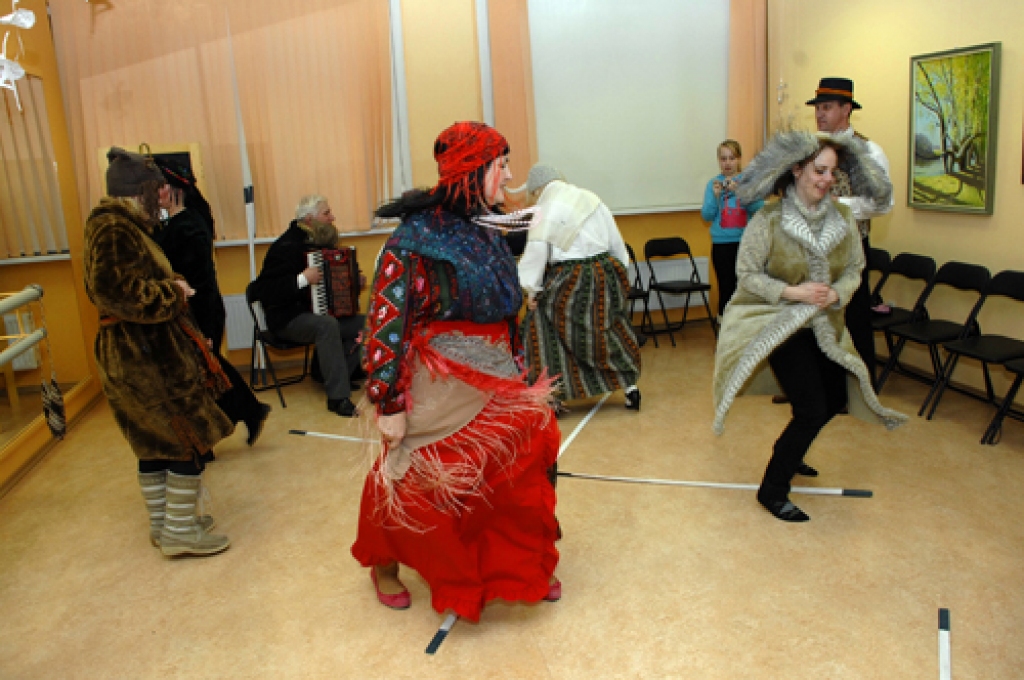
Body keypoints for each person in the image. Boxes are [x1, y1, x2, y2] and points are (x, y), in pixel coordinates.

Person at [350, 121, 562, 623]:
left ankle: (515, 566)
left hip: (494, 375)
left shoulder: (488, 225)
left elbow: (505, 308)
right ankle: (383, 563)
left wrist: (516, 367)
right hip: (438, 383)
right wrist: (389, 402)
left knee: (517, 462)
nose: (510, 176)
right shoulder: (414, 239)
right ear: (473, 170)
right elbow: (387, 320)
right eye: (501, 165)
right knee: (415, 479)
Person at [712, 131, 906, 522]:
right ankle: (772, 489)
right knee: (812, 408)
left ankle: (793, 449)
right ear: (797, 169)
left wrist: (837, 294)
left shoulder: (845, 218)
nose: (826, 180)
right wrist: (792, 292)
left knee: (835, 399)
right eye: (819, 170)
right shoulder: (768, 220)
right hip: (778, 322)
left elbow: (855, 268)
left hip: (824, 322)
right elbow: (746, 274)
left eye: (832, 173)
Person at [84, 147, 233, 556]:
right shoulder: (115, 229)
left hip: (139, 351)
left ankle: (166, 525)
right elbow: (115, 293)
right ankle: (180, 532)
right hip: (146, 356)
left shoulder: (121, 226)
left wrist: (172, 281)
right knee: (183, 435)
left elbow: (132, 281)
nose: (166, 195)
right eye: (160, 189)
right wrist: (174, 292)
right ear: (142, 191)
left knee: (153, 442)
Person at [153, 159, 271, 447]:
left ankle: (241, 416)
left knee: (206, 372)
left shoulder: (189, 226)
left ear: (176, 189)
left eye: (160, 187)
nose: (156, 193)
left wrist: (203, 327)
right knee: (207, 371)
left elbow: (200, 282)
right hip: (194, 312)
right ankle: (245, 413)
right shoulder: (180, 223)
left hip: (200, 311)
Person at [515, 164, 643, 411]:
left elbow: (536, 253)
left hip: (570, 277)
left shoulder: (546, 208)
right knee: (607, 330)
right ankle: (630, 386)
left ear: (539, 188)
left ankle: (552, 394)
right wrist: (620, 275)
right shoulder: (591, 198)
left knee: (540, 325)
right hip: (605, 271)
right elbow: (617, 244)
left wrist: (532, 291)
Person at [807, 77, 893, 385]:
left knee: (854, 320)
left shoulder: (867, 151)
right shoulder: (814, 150)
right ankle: (821, 389)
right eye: (818, 107)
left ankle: (860, 390)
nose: (820, 114)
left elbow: (883, 203)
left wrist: (839, 204)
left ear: (846, 109)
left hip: (850, 250)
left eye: (827, 107)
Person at [250, 195, 365, 417]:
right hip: (287, 319)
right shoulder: (284, 247)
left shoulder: (323, 241)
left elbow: (337, 282)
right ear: (310, 220)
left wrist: (354, 280)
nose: (332, 217)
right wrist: (302, 279)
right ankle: (337, 398)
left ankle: (327, 373)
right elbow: (265, 290)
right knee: (326, 325)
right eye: (327, 213)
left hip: (317, 316)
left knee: (368, 323)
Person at [701, 140, 765, 315]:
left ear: (739, 159)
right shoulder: (713, 183)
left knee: (744, 289)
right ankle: (724, 330)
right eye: (723, 159)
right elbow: (706, 216)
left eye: (731, 158)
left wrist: (741, 193)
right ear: (718, 160)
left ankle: (744, 329)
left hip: (744, 244)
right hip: (721, 245)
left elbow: (759, 209)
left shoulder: (749, 181)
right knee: (726, 288)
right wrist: (715, 197)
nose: (727, 163)